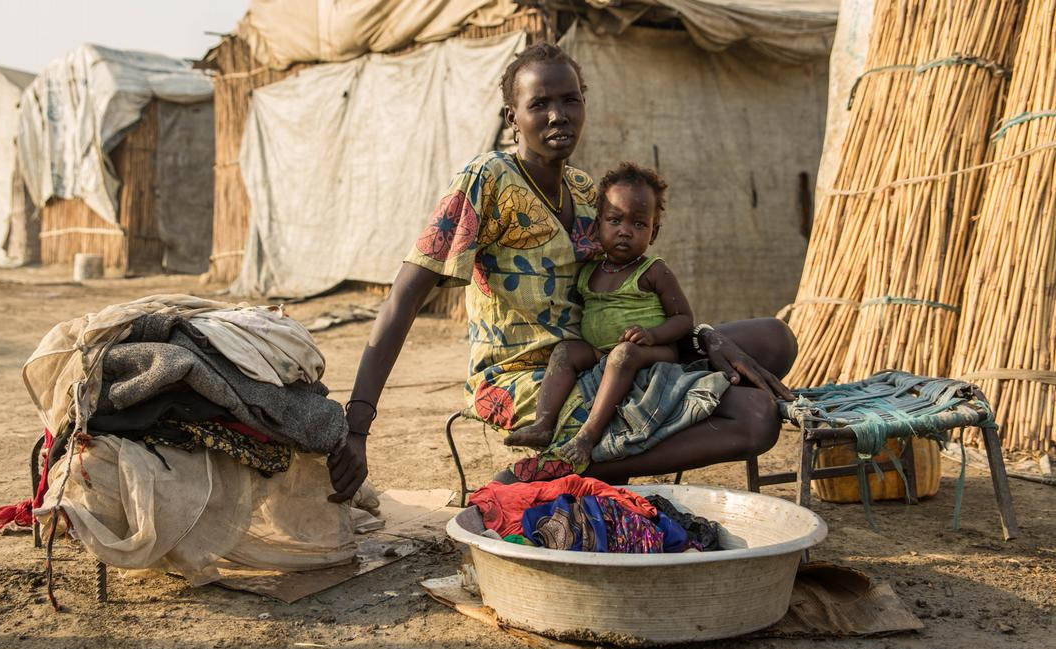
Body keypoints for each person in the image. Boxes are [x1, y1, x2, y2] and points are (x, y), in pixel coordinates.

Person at [327, 43, 796, 502]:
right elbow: (404, 298)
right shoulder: (486, 180)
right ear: (513, 118)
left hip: (601, 355)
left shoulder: (585, 189)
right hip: (528, 379)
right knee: (756, 419)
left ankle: (599, 447)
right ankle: (555, 467)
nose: (559, 115)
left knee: (775, 338)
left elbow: (632, 289)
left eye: (570, 99)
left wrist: (704, 337)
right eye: (540, 104)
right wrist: (357, 424)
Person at [503, 162, 691, 466]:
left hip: (651, 352)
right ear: (598, 224)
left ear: (654, 233)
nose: (624, 232)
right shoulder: (589, 271)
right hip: (598, 351)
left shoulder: (653, 271)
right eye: (615, 220)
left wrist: (652, 335)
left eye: (639, 225)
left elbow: (684, 318)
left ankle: (587, 436)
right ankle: (543, 424)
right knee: (565, 351)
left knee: (622, 355)